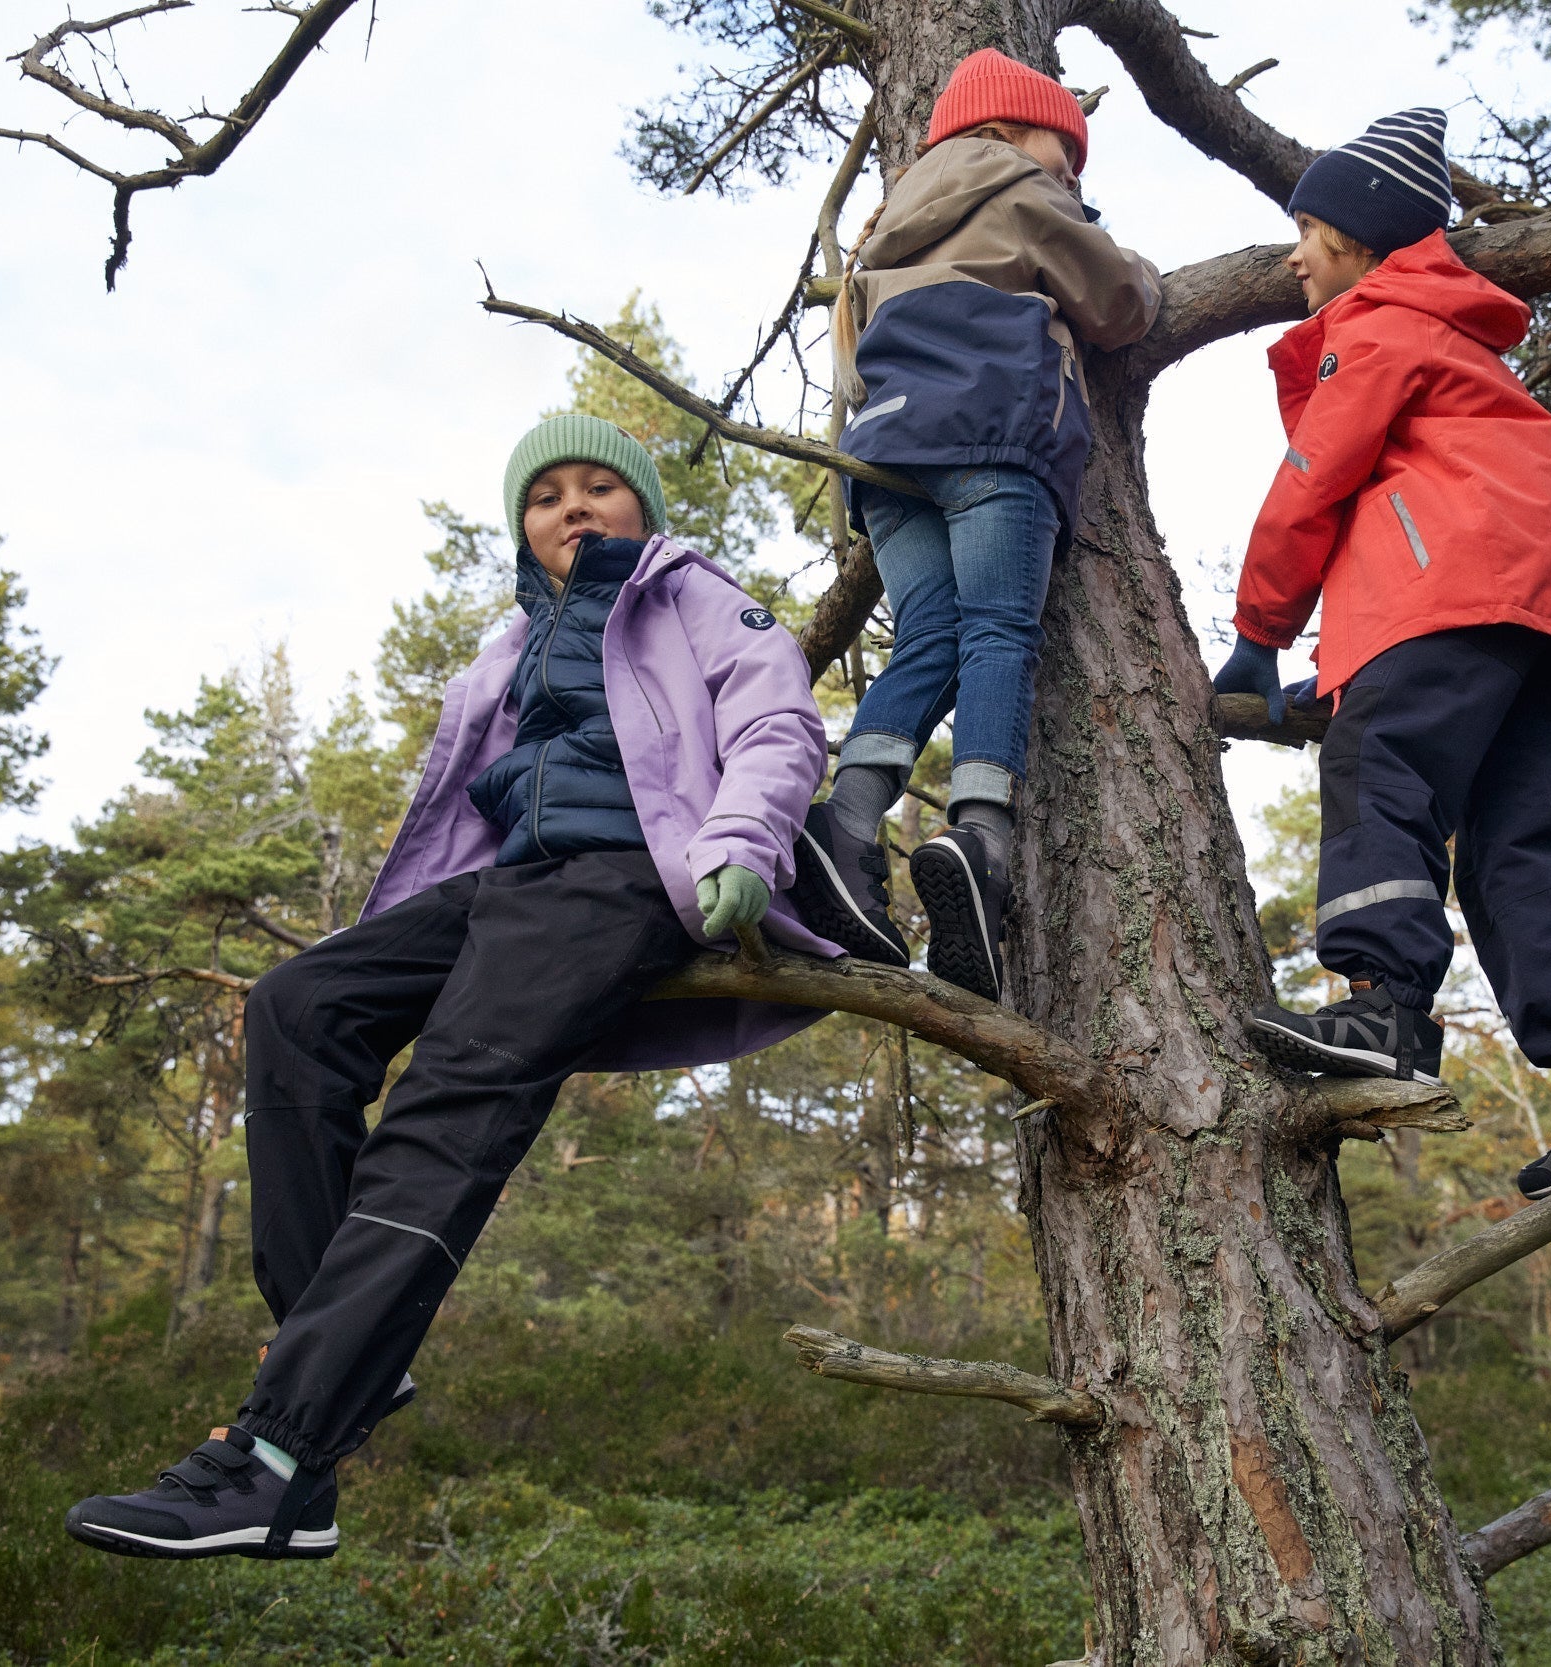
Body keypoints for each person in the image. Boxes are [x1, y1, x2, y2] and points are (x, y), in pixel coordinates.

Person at [64, 414, 838, 1560]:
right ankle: (348, 1360)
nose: (571, 508)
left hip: (626, 873)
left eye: (597, 489)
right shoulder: (509, 643)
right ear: (523, 529)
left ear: (643, 511)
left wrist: (740, 839)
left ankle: (282, 1462)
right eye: (545, 497)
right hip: (514, 887)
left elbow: (777, 720)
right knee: (296, 1007)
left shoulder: (693, 597)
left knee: (444, 1105)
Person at [1210, 109, 1551, 1201]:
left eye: (1307, 230)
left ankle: (1384, 1007)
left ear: (1361, 240)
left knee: (1380, 767)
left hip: (1451, 597)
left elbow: (1316, 479)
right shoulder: (1460, 346)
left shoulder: (1383, 323)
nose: (1292, 255)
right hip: (1545, 625)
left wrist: (1261, 633)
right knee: (1514, 844)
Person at [789, 47, 1161, 1003]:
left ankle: (851, 821)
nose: (1072, 177)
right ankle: (980, 834)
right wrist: (1146, 274)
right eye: (1064, 152)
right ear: (1003, 133)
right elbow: (1115, 303)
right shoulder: (1019, 187)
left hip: (887, 460)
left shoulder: (888, 226)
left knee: (933, 637)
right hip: (991, 437)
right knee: (1000, 631)